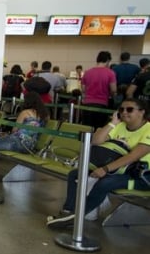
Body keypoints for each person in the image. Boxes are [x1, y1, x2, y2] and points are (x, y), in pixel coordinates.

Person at [46, 98, 150, 229]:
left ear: (142, 112)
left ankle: (76, 217)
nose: (124, 112)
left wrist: (105, 169)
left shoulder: (148, 130)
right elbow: (95, 141)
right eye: (121, 109)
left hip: (142, 177)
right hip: (120, 170)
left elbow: (133, 156)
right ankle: (68, 211)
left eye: (129, 109)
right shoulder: (120, 126)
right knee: (75, 174)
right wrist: (112, 123)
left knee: (105, 182)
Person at [80, 51, 117, 129]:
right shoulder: (110, 73)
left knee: (86, 128)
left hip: (87, 104)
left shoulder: (87, 72)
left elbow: (83, 89)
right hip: (102, 104)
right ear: (107, 60)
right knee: (99, 128)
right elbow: (113, 90)